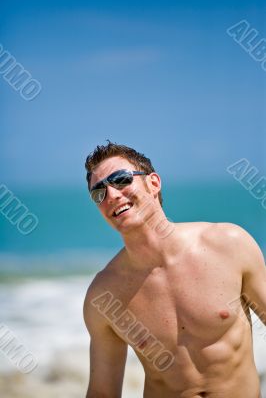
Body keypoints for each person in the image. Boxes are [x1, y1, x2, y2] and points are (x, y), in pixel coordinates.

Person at [83, 141, 266, 398]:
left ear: (153, 183)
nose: (111, 194)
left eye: (121, 179)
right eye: (98, 192)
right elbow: (103, 393)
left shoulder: (230, 245)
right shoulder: (103, 294)